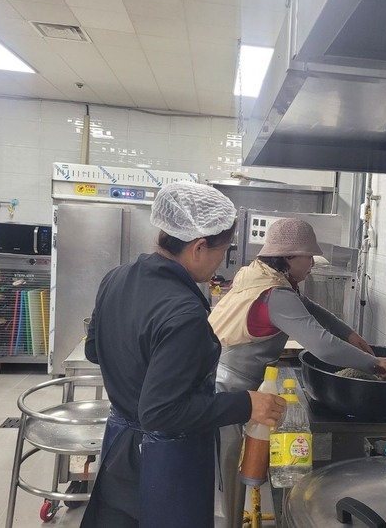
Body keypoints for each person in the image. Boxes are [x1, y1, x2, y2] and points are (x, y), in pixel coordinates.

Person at [80, 182, 285, 528]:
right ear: (198, 247)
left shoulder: (115, 278)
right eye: (222, 251)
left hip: (120, 447)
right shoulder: (184, 312)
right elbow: (160, 412)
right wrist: (246, 404)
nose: (221, 262)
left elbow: (93, 350)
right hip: (166, 462)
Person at [208, 218, 386, 528]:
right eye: (308, 256)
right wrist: (374, 364)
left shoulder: (260, 274)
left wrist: (350, 335)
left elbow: (312, 309)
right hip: (228, 387)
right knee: (227, 475)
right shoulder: (275, 294)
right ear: (288, 257)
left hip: (222, 379)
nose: (311, 264)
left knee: (229, 471)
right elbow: (324, 348)